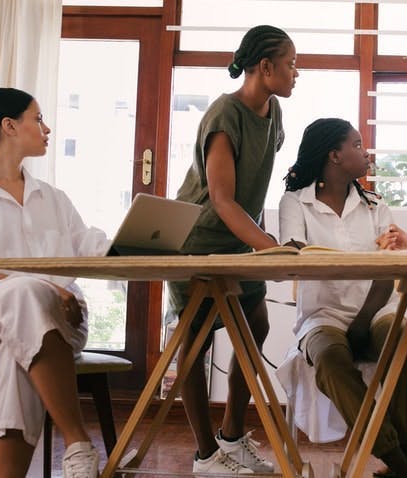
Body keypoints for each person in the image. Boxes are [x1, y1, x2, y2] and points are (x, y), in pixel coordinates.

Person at [166, 25, 298, 474]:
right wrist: (272, 248)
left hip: (242, 240)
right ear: (265, 67)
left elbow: (256, 186)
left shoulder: (274, 113)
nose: (296, 73)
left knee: (254, 328)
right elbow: (221, 198)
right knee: (197, 342)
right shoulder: (224, 113)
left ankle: (233, 437)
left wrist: (265, 244)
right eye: (291, 64)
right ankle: (205, 455)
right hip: (199, 241)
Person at [0, 88, 110, 478]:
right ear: (9, 126)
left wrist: (146, 242)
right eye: (38, 118)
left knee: (17, 352)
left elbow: (93, 247)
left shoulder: (54, 199)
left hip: (60, 323)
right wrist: (47, 289)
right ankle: (78, 441)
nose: (47, 127)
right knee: (26, 295)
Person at [278, 118, 407, 478]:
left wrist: (362, 321)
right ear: (335, 155)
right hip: (322, 315)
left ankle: (401, 464)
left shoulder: (375, 205)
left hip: (376, 311)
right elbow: (296, 257)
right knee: (330, 358)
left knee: (405, 347)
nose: (366, 152)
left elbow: (385, 272)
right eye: (358, 145)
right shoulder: (296, 203)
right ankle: (402, 466)